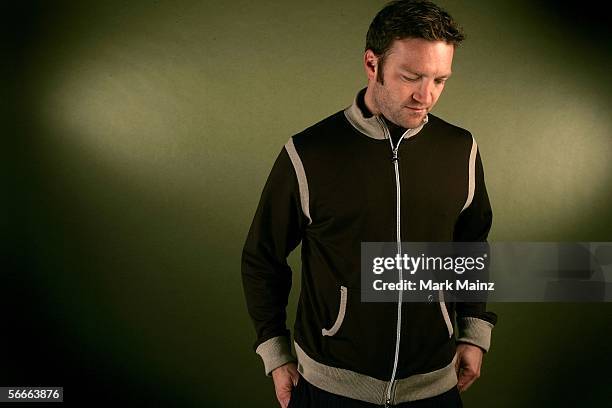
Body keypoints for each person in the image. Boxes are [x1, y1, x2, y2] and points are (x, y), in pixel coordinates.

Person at [241, 1, 497, 407]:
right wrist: (275, 354)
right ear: (371, 64)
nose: (425, 95)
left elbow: (471, 244)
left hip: (434, 388)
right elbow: (262, 256)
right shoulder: (309, 153)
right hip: (330, 389)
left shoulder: (460, 149)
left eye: (440, 80)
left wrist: (473, 331)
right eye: (411, 76)